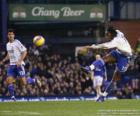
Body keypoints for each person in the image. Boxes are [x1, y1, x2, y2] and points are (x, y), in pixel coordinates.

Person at [79, 26, 133, 97]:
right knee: (104, 59)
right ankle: (89, 68)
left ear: (111, 33)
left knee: (116, 77)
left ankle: (104, 95)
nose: (107, 36)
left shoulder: (116, 40)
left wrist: (92, 47)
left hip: (125, 57)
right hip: (118, 52)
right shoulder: (118, 32)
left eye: (108, 34)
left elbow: (105, 46)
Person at [0, 29, 41, 101]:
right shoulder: (7, 44)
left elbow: (25, 51)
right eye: (9, 34)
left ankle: (35, 80)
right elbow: (9, 55)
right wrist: (3, 61)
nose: (10, 36)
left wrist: (20, 61)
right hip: (11, 66)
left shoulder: (17, 42)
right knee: (9, 81)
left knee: (24, 82)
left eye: (12, 34)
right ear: (7, 36)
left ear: (14, 35)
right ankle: (13, 97)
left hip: (19, 65)